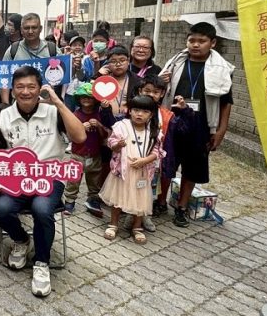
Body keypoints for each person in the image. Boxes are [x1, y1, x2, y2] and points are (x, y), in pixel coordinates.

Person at [0, 66, 86, 297]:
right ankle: (22, 240)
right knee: (1, 209)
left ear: (40, 88)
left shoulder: (54, 112)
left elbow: (80, 136)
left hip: (49, 176)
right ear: (12, 90)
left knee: (42, 209)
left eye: (31, 86)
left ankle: (42, 262)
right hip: (17, 177)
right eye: (20, 87)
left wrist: (59, 102)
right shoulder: (5, 115)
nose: (26, 92)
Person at [159, 22, 233, 227]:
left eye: (202, 41)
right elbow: (158, 91)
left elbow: (226, 102)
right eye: (192, 40)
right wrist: (161, 81)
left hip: (201, 127)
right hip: (172, 124)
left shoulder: (222, 70)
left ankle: (182, 207)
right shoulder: (175, 64)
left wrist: (221, 131)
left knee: (191, 169)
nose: (196, 45)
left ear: (213, 43)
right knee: (166, 164)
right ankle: (160, 202)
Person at [100, 95, 163, 245]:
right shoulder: (121, 126)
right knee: (118, 198)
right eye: (136, 110)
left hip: (141, 173)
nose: (139, 114)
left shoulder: (154, 131)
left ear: (151, 114)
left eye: (145, 111)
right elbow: (111, 143)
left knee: (140, 200)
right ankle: (113, 224)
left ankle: (137, 227)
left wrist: (144, 160)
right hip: (122, 171)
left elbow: (158, 151)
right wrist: (118, 145)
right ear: (130, 111)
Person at [135, 75, 192, 232]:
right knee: (133, 186)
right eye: (147, 91)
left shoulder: (167, 115)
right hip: (134, 157)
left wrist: (184, 111)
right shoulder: (132, 110)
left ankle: (145, 215)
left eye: (155, 92)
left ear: (162, 94)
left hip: (153, 161)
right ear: (140, 91)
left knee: (149, 189)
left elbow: (183, 130)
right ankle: (131, 214)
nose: (151, 94)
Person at [63, 82, 108, 216]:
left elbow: (105, 135)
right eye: (83, 97)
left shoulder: (99, 114)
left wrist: (99, 125)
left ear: (95, 100)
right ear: (78, 99)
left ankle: (93, 200)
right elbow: (69, 135)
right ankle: (69, 201)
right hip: (78, 154)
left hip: (95, 154)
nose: (86, 100)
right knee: (73, 179)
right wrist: (80, 128)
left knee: (94, 179)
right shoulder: (75, 115)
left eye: (89, 97)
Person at [0, 13, 58, 104]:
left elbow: (64, 76)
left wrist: (73, 67)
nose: (30, 31)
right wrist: (6, 104)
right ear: (21, 30)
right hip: (19, 104)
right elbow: (4, 77)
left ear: (40, 29)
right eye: (26, 28)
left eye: (34, 27)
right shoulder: (13, 50)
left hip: (46, 105)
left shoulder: (52, 49)